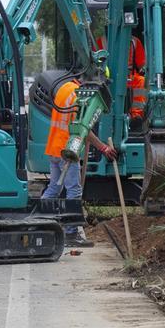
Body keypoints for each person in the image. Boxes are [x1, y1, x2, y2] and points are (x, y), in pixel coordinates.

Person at [42, 76, 116, 247]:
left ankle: (38, 222)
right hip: (68, 149)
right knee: (74, 190)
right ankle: (71, 233)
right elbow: (83, 130)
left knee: (54, 188)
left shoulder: (64, 88)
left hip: (54, 146)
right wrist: (103, 148)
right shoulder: (79, 98)